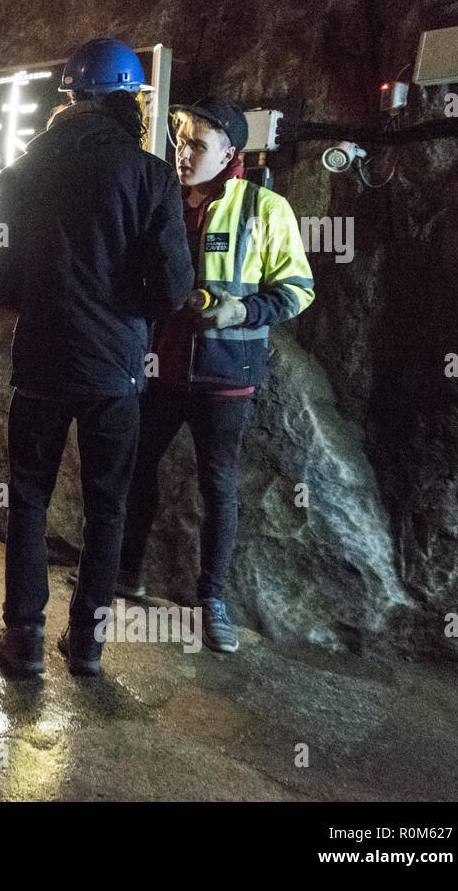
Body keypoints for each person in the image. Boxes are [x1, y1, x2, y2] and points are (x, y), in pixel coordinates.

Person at [0, 38, 193, 678]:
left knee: (27, 496)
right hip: (115, 370)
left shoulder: (18, 173)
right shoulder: (151, 175)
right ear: (128, 99)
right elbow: (175, 288)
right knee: (108, 505)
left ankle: (22, 637)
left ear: (70, 99)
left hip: (42, 362)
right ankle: (88, 645)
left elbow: (0, 277)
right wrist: (123, 306)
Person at [116, 96, 314, 653]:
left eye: (197, 145)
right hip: (158, 367)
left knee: (219, 487)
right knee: (137, 471)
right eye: (180, 141)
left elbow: (297, 290)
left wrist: (241, 310)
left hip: (226, 374)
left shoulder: (266, 209)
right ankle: (126, 573)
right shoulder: (161, 199)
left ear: (231, 151)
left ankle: (212, 601)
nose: (183, 153)